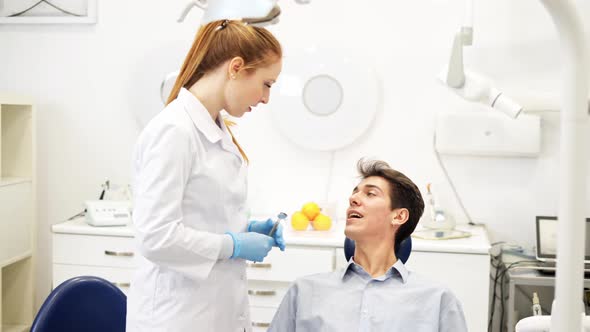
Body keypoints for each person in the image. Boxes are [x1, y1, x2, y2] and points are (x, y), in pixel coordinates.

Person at [126, 19, 285, 332]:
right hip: (176, 317)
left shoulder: (214, 127)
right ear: (236, 67)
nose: (266, 98)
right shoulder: (174, 130)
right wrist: (233, 244)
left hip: (213, 312)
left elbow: (201, 214)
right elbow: (156, 236)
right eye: (266, 84)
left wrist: (244, 228)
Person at [269, 159, 467, 332]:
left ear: (399, 216)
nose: (353, 199)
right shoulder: (305, 291)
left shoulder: (437, 299)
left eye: (370, 194)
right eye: (355, 193)